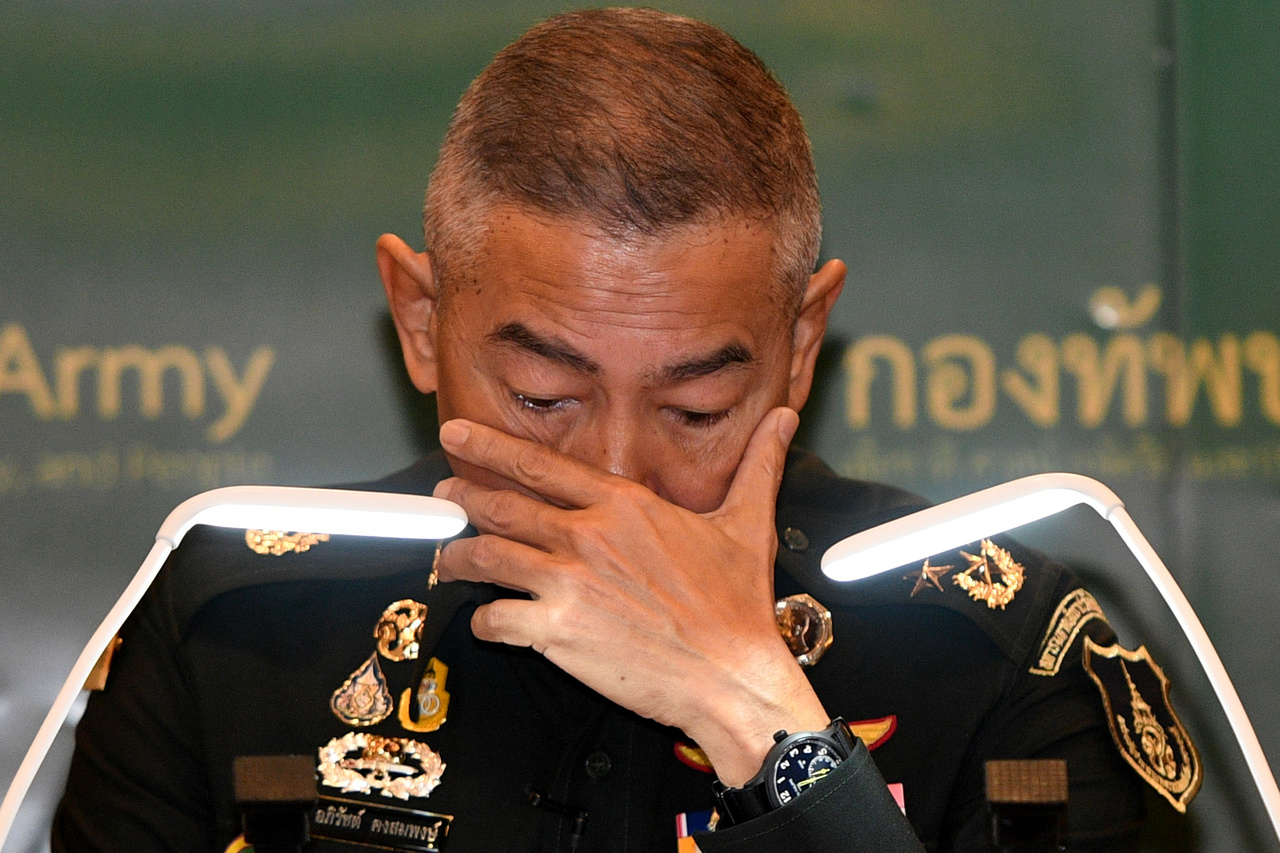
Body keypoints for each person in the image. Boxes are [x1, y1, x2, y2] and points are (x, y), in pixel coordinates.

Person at [53, 8, 1157, 852]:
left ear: (801, 341)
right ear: (422, 321)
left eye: (695, 410)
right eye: (543, 397)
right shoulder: (234, 624)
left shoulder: (997, 647)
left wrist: (756, 714)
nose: (618, 480)